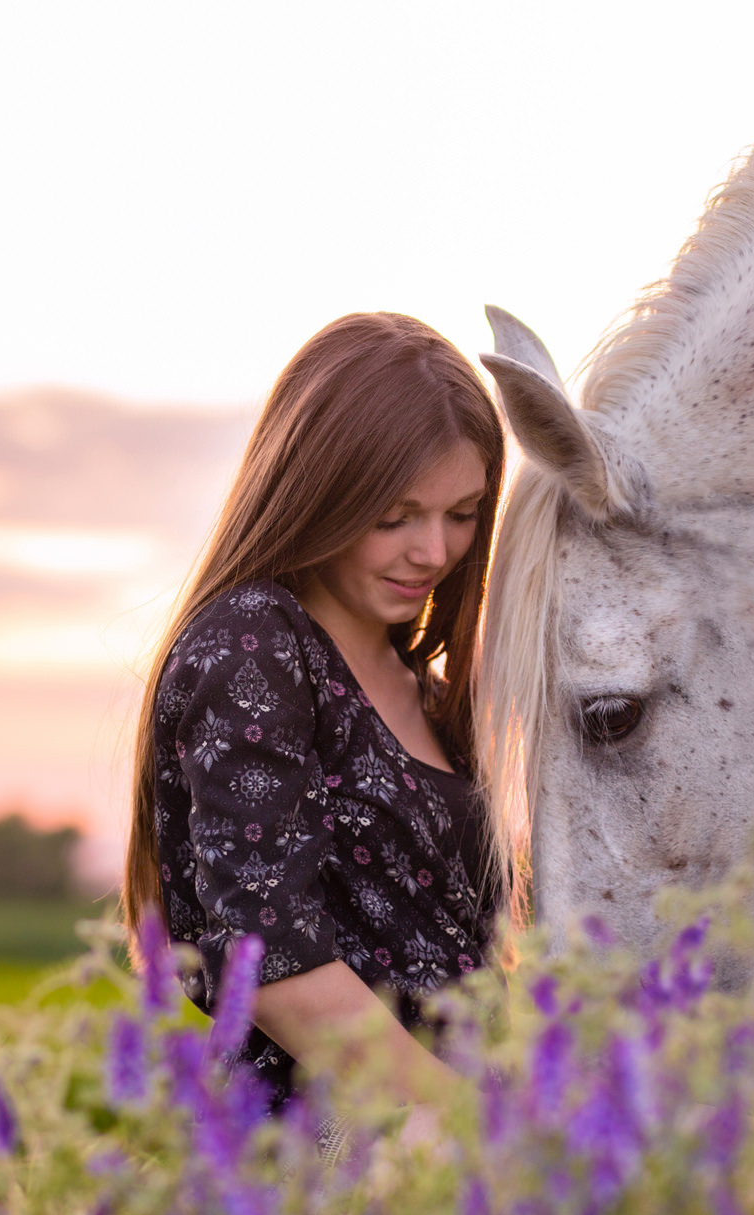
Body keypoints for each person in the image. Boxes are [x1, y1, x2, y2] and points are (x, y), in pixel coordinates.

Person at [122, 312, 505, 1127]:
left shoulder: (432, 692)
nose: (434, 552)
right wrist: (485, 1128)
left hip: (466, 1127)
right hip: (328, 1147)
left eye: (463, 513)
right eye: (396, 515)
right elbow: (270, 964)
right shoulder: (253, 648)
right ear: (320, 491)